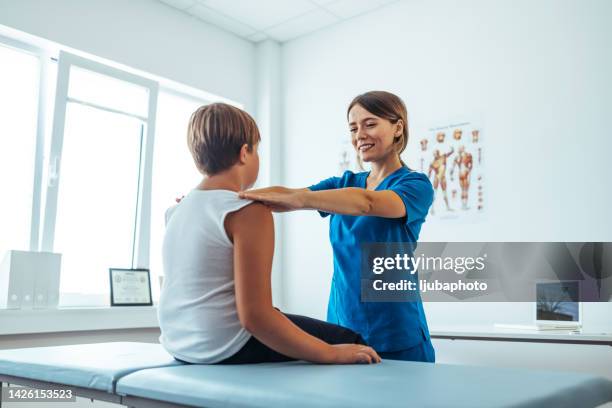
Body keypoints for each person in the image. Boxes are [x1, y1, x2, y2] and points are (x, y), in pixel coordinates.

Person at [158, 103, 380, 365]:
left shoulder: (175, 211)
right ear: (244, 153)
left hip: (181, 345)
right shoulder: (248, 212)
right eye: (256, 150)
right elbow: (255, 317)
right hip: (225, 346)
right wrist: (330, 353)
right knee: (353, 343)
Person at [239, 91, 436, 362]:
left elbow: (367, 203)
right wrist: (224, 197)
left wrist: (301, 199)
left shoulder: (415, 185)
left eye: (370, 124)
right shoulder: (344, 182)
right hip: (343, 321)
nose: (359, 135)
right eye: (353, 128)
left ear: (398, 127)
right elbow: (290, 194)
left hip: (395, 328)